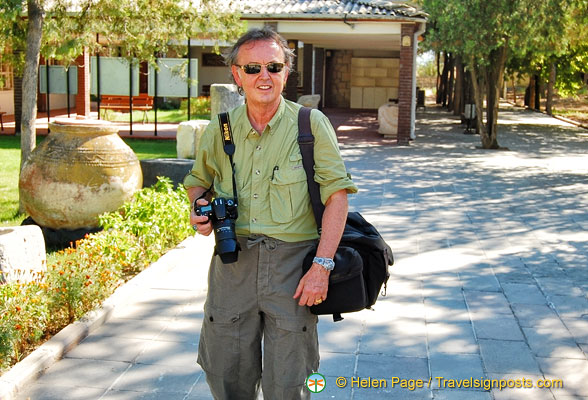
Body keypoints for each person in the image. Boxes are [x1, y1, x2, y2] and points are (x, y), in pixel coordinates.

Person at [184, 27, 357, 400]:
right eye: (253, 68)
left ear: (286, 73)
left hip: (293, 269)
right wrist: (199, 208)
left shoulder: (310, 125)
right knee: (226, 373)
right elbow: (198, 181)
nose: (264, 76)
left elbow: (337, 198)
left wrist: (321, 267)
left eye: (274, 67)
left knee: (291, 382)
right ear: (236, 74)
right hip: (233, 266)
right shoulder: (220, 129)